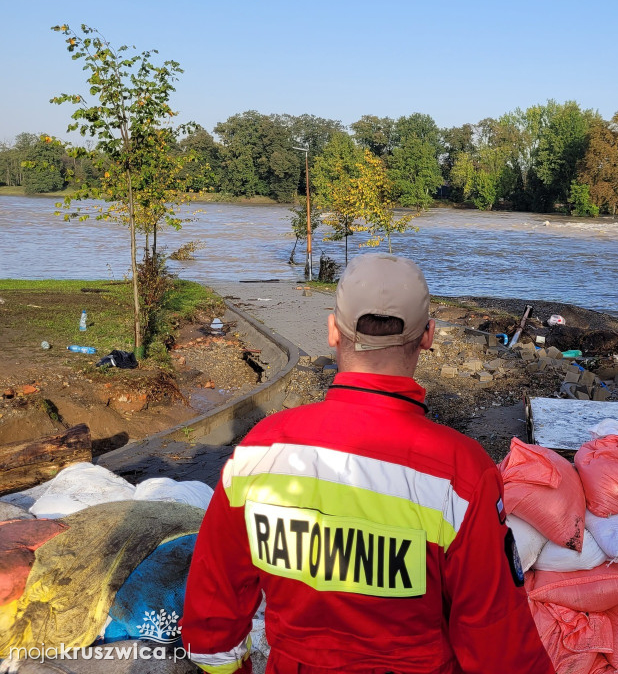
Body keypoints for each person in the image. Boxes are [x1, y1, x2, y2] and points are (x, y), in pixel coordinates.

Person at [181, 253, 554, 674]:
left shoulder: (259, 452)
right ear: (428, 336)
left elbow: (212, 621)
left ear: (331, 331)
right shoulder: (462, 475)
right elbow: (500, 648)